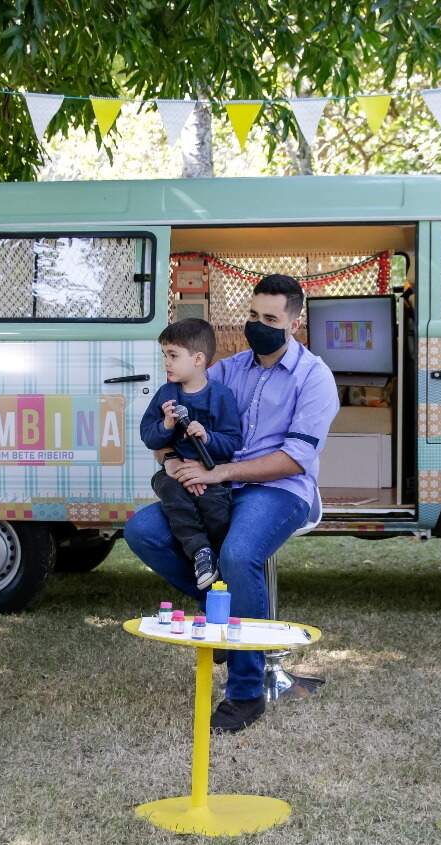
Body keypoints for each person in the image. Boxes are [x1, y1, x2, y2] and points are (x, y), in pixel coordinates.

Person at [125, 274, 339, 733]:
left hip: (280, 489)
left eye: (270, 319)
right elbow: (170, 426)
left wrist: (218, 473)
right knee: (142, 530)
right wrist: (173, 462)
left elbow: (294, 458)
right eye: (253, 315)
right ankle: (222, 614)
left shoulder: (315, 378)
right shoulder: (225, 371)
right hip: (215, 485)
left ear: (295, 322)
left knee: (239, 555)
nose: (257, 325)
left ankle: (245, 692)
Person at [139, 319, 243, 590]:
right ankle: (200, 552)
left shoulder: (220, 396)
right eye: (164, 355)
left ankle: (222, 565)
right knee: (171, 495)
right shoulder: (166, 394)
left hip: (211, 476)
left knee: (215, 511)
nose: (166, 362)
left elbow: (232, 441)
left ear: (198, 359)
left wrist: (207, 437)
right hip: (174, 475)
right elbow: (148, 435)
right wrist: (166, 425)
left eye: (173, 355)